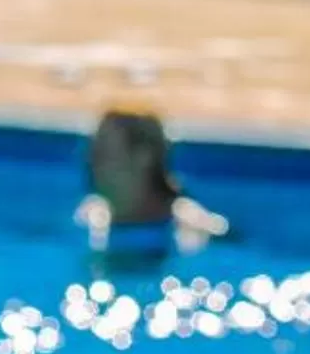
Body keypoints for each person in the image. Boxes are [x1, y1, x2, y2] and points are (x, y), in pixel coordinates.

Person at [77, 105, 229, 262]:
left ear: (144, 158)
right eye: (92, 153)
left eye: (104, 154)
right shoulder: (89, 217)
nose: (91, 163)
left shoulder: (196, 227)